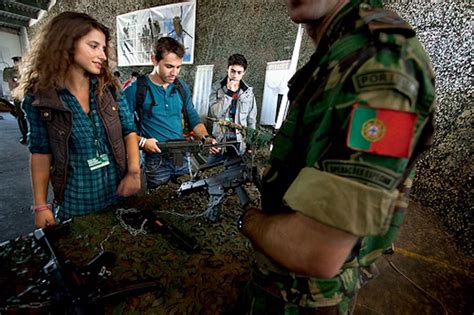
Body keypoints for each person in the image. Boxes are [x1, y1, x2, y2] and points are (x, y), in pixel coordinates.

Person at [237, 0, 436, 313]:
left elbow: (317, 250)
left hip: (307, 297)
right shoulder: (340, 49)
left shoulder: (380, 62)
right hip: (283, 282)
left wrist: (246, 218)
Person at [15, 12, 141, 228]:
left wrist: (133, 173)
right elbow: (40, 152)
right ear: (67, 43)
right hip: (78, 201)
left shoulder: (108, 88)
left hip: (119, 191)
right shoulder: (40, 98)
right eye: (93, 46)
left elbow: (129, 130)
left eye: (103, 48)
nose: (102, 55)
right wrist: (41, 206)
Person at [123, 37, 218, 189]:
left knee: (187, 195)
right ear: (154, 59)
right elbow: (121, 127)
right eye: (169, 66)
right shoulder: (135, 90)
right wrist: (142, 142)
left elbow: (192, 117)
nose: (174, 73)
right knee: (159, 200)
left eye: (178, 67)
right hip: (155, 160)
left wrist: (206, 137)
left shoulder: (181, 87)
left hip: (181, 156)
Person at [208, 53, 257, 162]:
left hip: (239, 143)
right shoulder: (217, 88)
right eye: (232, 71)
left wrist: (250, 144)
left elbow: (251, 120)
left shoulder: (248, 93)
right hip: (219, 142)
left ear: (244, 73)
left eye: (239, 72)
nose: (235, 75)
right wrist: (229, 94)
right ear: (227, 69)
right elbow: (215, 113)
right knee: (210, 173)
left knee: (235, 175)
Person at [5, 56, 28, 144]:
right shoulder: (9, 71)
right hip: (18, 96)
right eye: (17, 61)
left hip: (28, 95)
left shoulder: (26, 71)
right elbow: (12, 84)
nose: (19, 63)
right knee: (21, 116)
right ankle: (25, 136)